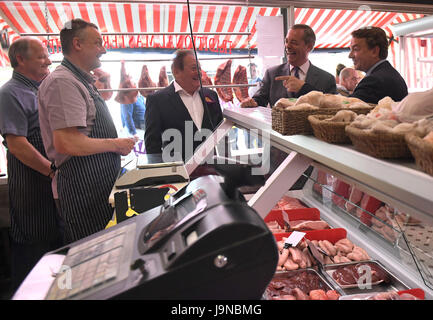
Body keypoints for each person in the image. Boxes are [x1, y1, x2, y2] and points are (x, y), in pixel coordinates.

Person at [38, 19, 135, 243]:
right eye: (98, 43)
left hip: (97, 186)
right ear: (77, 44)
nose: (104, 49)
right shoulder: (63, 82)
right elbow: (67, 143)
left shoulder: (80, 81)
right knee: (93, 254)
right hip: (83, 189)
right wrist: (115, 144)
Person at [0, 37, 62, 291]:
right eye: (41, 56)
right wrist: (52, 172)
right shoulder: (9, 93)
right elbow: (17, 145)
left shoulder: (40, 89)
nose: (48, 60)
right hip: (31, 188)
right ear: (20, 60)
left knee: (54, 250)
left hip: (50, 186)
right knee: (34, 254)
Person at [145, 49, 223, 163]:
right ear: (176, 72)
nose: (199, 72)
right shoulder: (157, 100)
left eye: (199, 68)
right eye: (193, 68)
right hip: (177, 173)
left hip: (210, 170)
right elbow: (152, 146)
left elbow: (221, 132)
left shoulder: (211, 96)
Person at [241, 24, 336, 108]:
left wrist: (304, 88)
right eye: (286, 41)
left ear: (309, 47)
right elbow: (260, 99)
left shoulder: (327, 79)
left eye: (294, 43)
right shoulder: (272, 74)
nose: (287, 46)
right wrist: (252, 102)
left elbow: (330, 107)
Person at [349, 27, 408, 104]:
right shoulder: (387, 73)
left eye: (356, 49)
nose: (350, 55)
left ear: (374, 51)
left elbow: (347, 107)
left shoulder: (374, 81)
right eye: (351, 50)